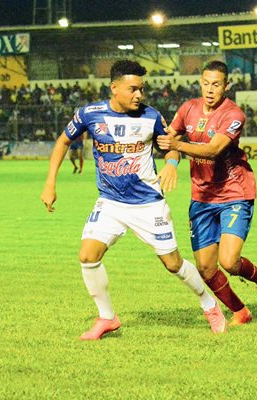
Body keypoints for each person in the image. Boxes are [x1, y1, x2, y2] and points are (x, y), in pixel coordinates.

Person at [40, 60, 228, 340]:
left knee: (173, 264)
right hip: (110, 202)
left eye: (141, 89)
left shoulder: (151, 117)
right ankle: (107, 318)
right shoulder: (89, 114)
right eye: (133, 89)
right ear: (114, 88)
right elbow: (62, 142)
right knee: (87, 256)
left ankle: (209, 304)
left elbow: (170, 147)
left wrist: (171, 165)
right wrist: (50, 183)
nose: (139, 95)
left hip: (147, 204)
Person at [157, 60, 257, 326]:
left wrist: (176, 144)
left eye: (216, 84)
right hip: (201, 197)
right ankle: (240, 311)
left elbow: (213, 149)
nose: (210, 89)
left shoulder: (233, 114)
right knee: (205, 268)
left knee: (229, 260)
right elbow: (171, 139)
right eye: (205, 83)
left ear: (227, 86)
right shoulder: (187, 108)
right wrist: (170, 161)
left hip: (234, 192)